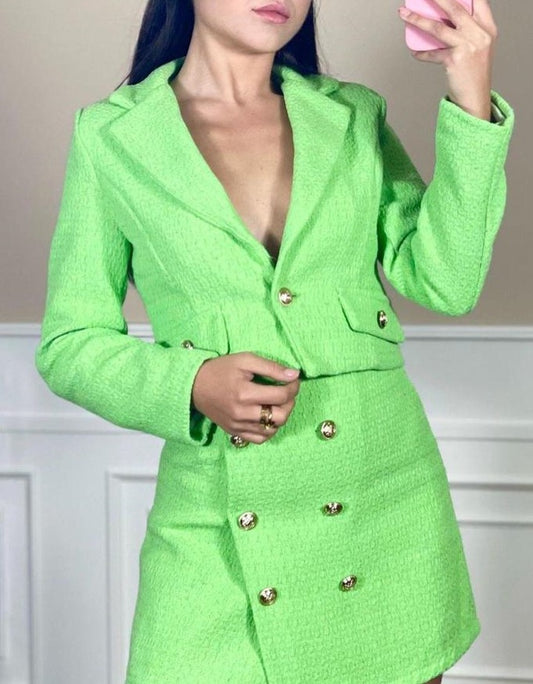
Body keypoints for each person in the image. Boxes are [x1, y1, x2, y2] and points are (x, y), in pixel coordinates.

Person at [35, 0, 515, 681]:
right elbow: (70, 340)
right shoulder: (111, 136)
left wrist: (470, 96)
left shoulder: (352, 115)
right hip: (216, 527)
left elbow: (445, 281)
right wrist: (192, 384)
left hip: (384, 511)